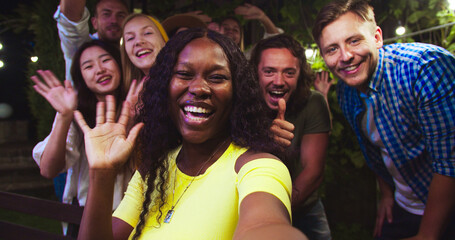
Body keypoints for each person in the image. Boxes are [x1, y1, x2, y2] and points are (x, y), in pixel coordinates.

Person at [74, 28, 307, 239]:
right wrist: (101, 174)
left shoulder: (258, 166)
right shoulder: (153, 171)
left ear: (238, 93)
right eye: (184, 74)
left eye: (217, 78)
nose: (198, 88)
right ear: (165, 87)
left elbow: (265, 225)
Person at [312, 0, 455, 239]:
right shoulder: (347, 91)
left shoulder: (425, 69)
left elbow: (449, 163)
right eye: (332, 49)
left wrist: (427, 235)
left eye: (354, 40)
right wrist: (387, 195)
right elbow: (373, 150)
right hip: (403, 205)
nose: (345, 56)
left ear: (377, 37)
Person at [31, 40, 141, 235]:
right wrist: (65, 116)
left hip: (132, 216)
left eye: (106, 60)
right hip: (84, 216)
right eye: (88, 66)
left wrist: (133, 120)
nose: (99, 69)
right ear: (81, 77)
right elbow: (49, 169)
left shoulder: (138, 105)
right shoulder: (75, 113)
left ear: (119, 64)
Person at [250, 34, 332, 240]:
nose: (279, 81)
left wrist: (276, 214)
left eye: (289, 73)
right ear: (255, 73)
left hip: (304, 208)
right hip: (250, 209)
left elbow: (312, 172)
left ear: (300, 75)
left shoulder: (313, 103)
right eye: (269, 71)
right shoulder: (241, 104)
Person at [55, 0, 129, 84]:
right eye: (106, 14)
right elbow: (71, 21)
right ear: (94, 23)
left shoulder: (132, 53)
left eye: (120, 16)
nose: (114, 21)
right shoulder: (81, 46)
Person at [120, 13, 168, 88]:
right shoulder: (134, 97)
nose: (138, 41)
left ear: (164, 40)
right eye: (130, 38)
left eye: (147, 33)